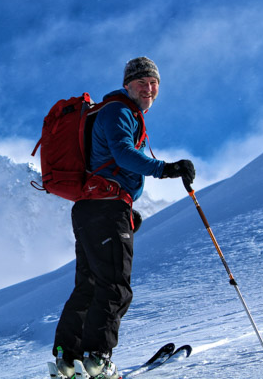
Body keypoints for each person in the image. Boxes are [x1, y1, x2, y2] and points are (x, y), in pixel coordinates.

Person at [52, 57, 196, 379]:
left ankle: (67, 360)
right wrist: (166, 169)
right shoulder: (118, 111)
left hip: (92, 208)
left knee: (89, 284)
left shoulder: (109, 112)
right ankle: (97, 360)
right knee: (115, 285)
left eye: (154, 83)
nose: (149, 88)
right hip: (105, 207)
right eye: (142, 82)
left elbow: (108, 162)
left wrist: (125, 210)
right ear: (128, 84)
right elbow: (121, 154)